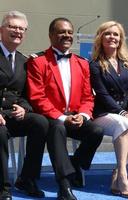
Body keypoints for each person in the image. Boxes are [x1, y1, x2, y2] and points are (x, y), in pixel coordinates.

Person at [26, 17, 103, 200]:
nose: (67, 35)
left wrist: (83, 115)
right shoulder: (38, 62)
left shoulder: (82, 63)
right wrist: (62, 117)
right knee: (58, 128)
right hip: (51, 118)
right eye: (62, 32)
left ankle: (74, 162)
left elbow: (87, 96)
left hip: (75, 116)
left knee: (96, 131)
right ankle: (64, 185)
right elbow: (37, 97)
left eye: (69, 32)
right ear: (51, 35)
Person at [90, 21, 128, 199]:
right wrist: (122, 112)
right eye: (108, 34)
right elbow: (102, 94)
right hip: (102, 113)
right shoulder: (95, 64)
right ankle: (123, 176)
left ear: (121, 39)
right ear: (100, 37)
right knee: (124, 123)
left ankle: (118, 171)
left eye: (116, 34)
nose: (112, 37)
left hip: (126, 112)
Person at [0, 11, 49, 200]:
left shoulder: (24, 61)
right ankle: (3, 187)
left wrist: (25, 107)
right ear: (1, 30)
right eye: (13, 27)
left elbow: (27, 94)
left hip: (13, 115)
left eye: (22, 28)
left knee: (41, 122)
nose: (17, 31)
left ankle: (27, 178)